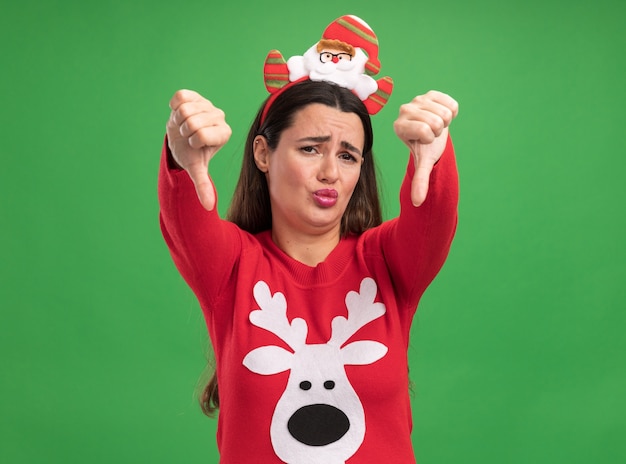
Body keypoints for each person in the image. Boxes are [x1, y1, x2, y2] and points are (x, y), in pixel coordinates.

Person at [159, 15, 459, 464]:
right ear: (263, 152)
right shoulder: (233, 266)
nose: (330, 173)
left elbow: (431, 216)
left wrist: (433, 157)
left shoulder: (387, 261)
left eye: (347, 155)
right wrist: (182, 162)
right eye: (310, 148)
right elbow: (187, 221)